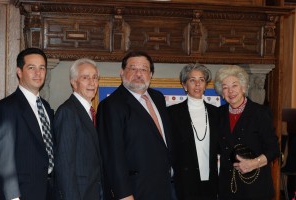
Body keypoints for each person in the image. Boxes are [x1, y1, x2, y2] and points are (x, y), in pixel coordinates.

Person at [97, 51, 175, 200]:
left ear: (151, 74)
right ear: (122, 72)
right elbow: (112, 155)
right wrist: (123, 194)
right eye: (133, 68)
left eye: (144, 69)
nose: (138, 74)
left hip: (163, 187)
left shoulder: (158, 98)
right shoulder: (111, 105)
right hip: (134, 191)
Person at [214, 65, 280, 200]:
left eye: (234, 85)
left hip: (255, 187)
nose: (230, 91)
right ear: (221, 92)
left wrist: (254, 163)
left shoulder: (260, 113)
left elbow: (274, 149)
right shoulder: (218, 114)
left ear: (243, 87)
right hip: (228, 188)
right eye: (225, 87)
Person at [0, 48, 54, 200]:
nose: (38, 73)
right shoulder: (6, 108)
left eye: (42, 68)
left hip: (48, 191)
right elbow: (3, 160)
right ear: (19, 72)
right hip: (22, 194)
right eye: (31, 68)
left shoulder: (46, 107)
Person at [54, 58, 103, 200]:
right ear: (74, 82)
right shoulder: (68, 111)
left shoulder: (91, 112)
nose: (92, 82)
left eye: (95, 78)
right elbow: (64, 164)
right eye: (85, 78)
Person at [168, 64, 219, 200]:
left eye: (201, 80)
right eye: (192, 80)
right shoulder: (172, 113)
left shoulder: (217, 113)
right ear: (184, 85)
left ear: (205, 85)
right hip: (184, 181)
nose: (197, 84)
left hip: (212, 180)